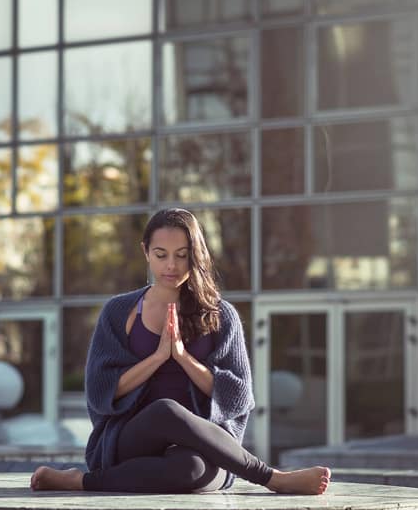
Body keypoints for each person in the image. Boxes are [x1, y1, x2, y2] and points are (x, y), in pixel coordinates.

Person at [30, 208, 331, 494]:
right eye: (161, 255)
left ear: (195, 256)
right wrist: (158, 357)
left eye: (181, 256)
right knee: (165, 410)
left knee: (189, 471)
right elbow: (99, 391)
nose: (171, 266)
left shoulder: (220, 315)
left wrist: (183, 358)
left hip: (206, 446)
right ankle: (272, 478)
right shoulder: (119, 312)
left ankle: (81, 481)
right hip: (132, 439)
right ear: (145, 251)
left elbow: (240, 396)